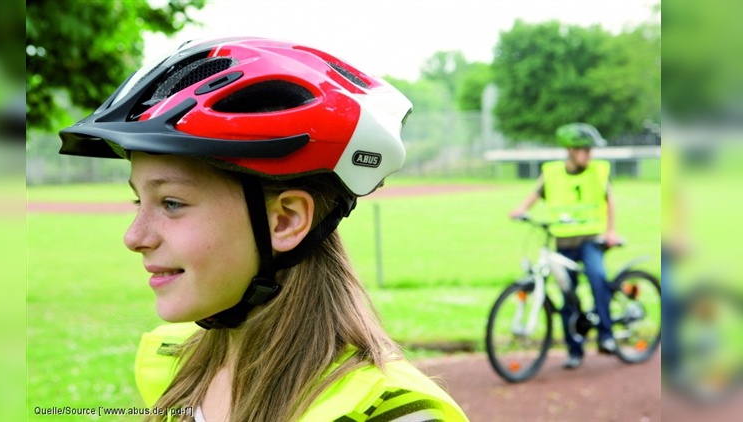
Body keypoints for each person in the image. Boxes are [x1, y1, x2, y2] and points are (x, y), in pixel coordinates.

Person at [58, 37, 468, 422]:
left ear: (285, 220)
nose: (134, 237)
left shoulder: (390, 413)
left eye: (171, 203)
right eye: (138, 201)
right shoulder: (169, 368)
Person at [508, 123, 620, 370]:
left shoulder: (598, 172)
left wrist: (610, 232)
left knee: (597, 277)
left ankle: (606, 335)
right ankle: (574, 350)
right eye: (585, 150)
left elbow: (610, 201)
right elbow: (535, 194)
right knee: (567, 297)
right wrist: (520, 210)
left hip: (590, 240)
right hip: (562, 242)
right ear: (570, 150)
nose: (590, 155)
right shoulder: (553, 173)